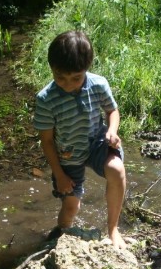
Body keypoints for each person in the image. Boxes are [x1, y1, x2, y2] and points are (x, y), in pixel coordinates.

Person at [33, 30, 127, 249]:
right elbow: (47, 141)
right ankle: (61, 236)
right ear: (51, 68)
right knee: (71, 206)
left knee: (117, 170)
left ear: (87, 68)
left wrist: (112, 131)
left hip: (96, 143)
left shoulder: (98, 84)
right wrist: (59, 175)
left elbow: (112, 110)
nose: (67, 84)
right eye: (60, 77)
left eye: (76, 78)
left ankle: (113, 229)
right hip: (67, 155)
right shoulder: (46, 99)